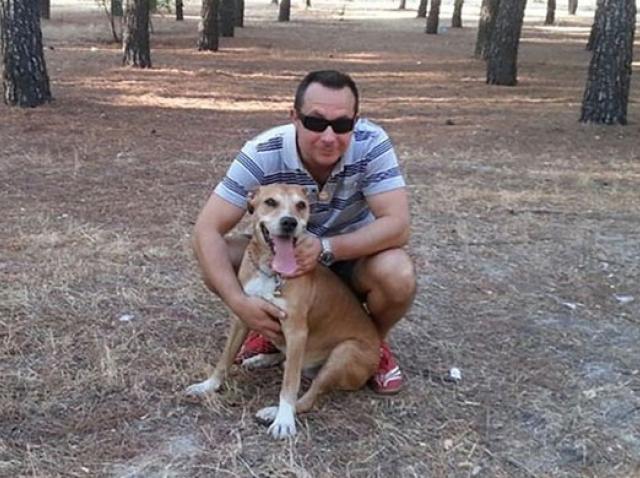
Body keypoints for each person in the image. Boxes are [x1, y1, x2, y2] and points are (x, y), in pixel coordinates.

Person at [193, 70, 416, 394]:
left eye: (342, 124)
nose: (329, 136)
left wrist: (325, 247)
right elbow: (206, 230)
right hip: (281, 251)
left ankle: (372, 345)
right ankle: (271, 328)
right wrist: (238, 301)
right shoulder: (262, 152)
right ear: (294, 117)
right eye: (315, 122)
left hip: (353, 256)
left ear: (356, 122)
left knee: (398, 272)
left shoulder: (372, 144)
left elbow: (398, 224)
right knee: (218, 255)